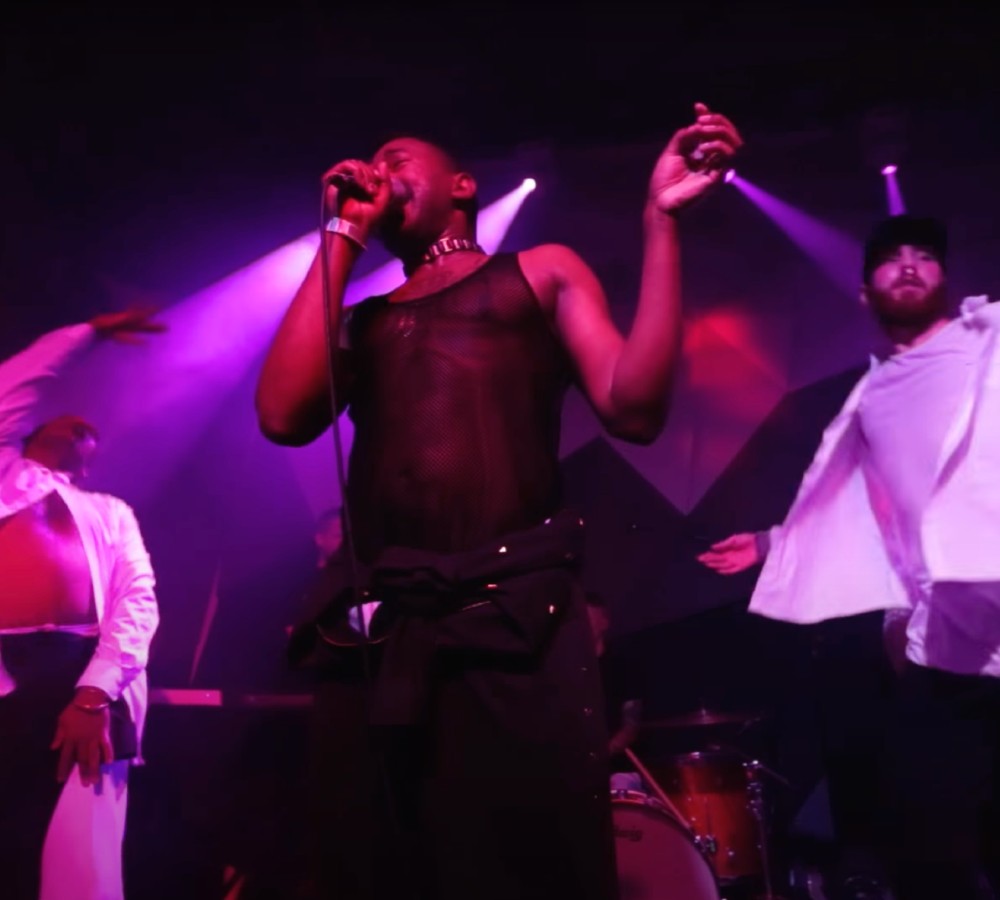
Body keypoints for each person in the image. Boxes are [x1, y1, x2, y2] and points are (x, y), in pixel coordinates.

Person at [257, 104, 741, 900]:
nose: (381, 167)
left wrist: (660, 222)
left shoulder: (539, 271)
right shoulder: (364, 322)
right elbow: (281, 415)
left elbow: (635, 406)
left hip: (513, 619)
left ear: (463, 186)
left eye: (398, 155)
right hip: (385, 626)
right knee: (376, 864)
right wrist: (341, 235)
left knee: (523, 864)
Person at [698, 215, 1000, 899]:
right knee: (931, 844)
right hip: (948, 645)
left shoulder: (987, 343)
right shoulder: (872, 399)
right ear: (865, 292)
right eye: (892, 258)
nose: (910, 264)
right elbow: (852, 504)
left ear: (946, 277)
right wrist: (772, 542)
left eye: (925, 255)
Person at [0, 310, 162, 900]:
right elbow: (12, 386)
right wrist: (86, 333)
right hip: (7, 668)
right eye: (64, 421)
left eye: (88, 432)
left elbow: (137, 603)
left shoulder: (110, 511)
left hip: (82, 673)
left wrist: (94, 694)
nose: (80, 425)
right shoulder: (5, 478)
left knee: (80, 859)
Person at [585, 592, 643, 792]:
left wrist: (601, 754)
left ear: (604, 623)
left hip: (620, 769)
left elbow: (630, 728)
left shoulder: (621, 665)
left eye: (586, 617)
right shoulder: (572, 672)